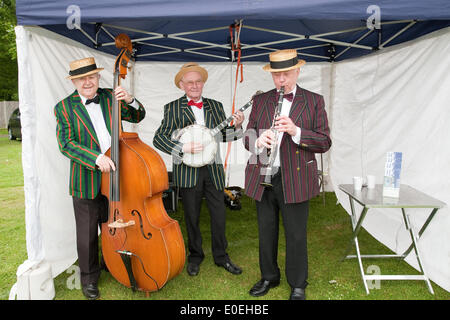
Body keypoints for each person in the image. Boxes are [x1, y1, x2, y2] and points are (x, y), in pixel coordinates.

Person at [54, 57, 146, 299]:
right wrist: (96, 158)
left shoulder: (108, 96)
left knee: (112, 225)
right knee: (86, 235)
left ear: (98, 78)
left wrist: (130, 100)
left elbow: (138, 117)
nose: (87, 82)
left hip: (117, 175)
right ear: (74, 81)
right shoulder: (63, 108)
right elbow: (66, 144)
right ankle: (89, 278)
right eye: (81, 78)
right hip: (86, 180)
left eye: (92, 77)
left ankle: (113, 262)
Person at [243, 49, 331, 300]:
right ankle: (269, 277)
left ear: (298, 71)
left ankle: (298, 283)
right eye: (276, 75)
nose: (281, 80)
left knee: (295, 233)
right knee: (266, 231)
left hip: (297, 177)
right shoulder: (260, 101)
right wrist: (258, 139)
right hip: (263, 175)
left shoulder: (314, 100)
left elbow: (324, 141)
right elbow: (247, 139)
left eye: (286, 74)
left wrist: (296, 131)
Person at [153, 62, 244, 277]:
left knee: (219, 215)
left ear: (203, 83)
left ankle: (221, 256)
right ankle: (195, 256)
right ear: (182, 85)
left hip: (213, 169)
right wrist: (182, 147)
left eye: (198, 81)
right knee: (192, 217)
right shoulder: (172, 108)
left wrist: (238, 127)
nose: (194, 85)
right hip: (187, 169)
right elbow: (159, 138)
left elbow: (225, 135)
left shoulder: (215, 105)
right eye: (190, 82)